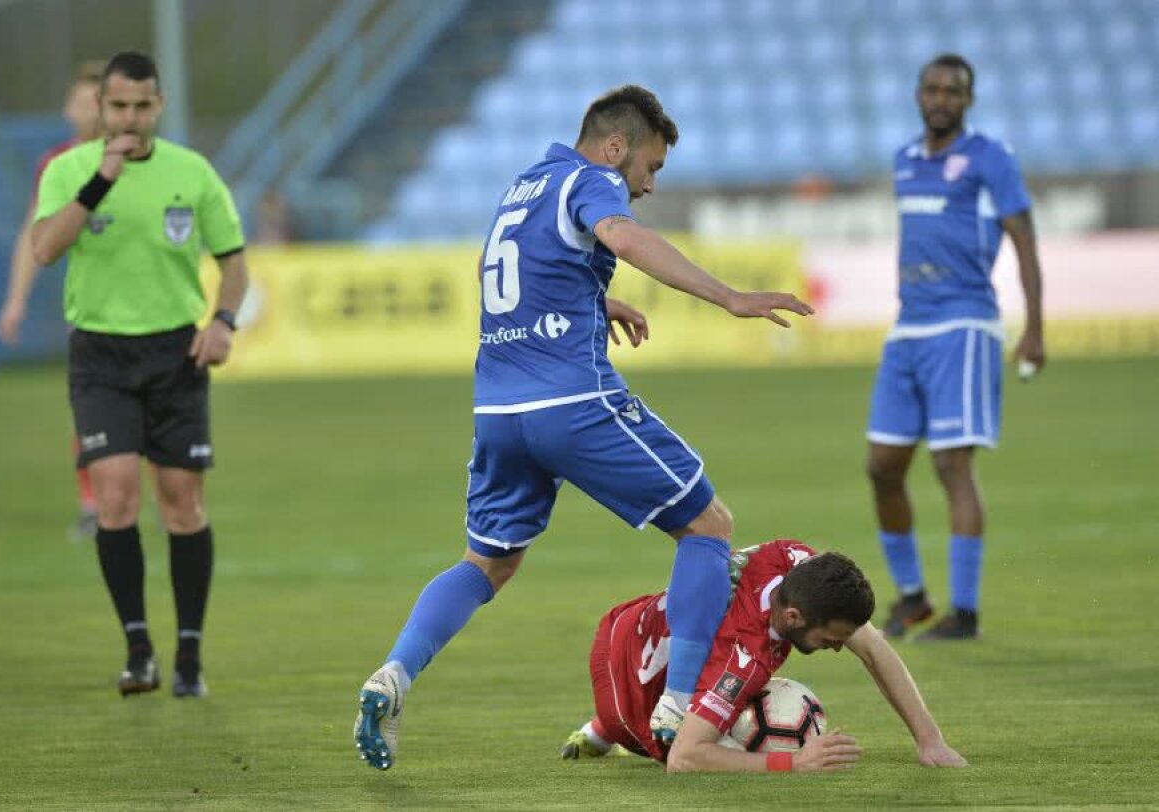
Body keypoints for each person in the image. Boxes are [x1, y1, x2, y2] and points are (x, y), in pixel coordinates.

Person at [354, 84, 814, 770]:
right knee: (709, 526)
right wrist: (729, 296)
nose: (650, 186)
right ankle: (681, 703)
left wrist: (602, 300)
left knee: (488, 563)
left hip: (498, 412)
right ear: (616, 147)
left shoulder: (525, 187)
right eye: (651, 169)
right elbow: (621, 235)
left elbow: (530, 271)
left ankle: (393, 674)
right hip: (571, 403)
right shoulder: (592, 180)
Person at [30, 51, 250, 698]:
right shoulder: (70, 170)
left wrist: (224, 321)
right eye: (117, 106)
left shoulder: (193, 172)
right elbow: (44, 248)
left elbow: (234, 261)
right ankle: (137, 649)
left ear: (159, 105)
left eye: (141, 106)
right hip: (101, 356)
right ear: (100, 107)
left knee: (183, 504)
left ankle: (189, 656)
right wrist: (99, 181)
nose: (129, 118)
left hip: (176, 355)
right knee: (117, 495)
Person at [867, 54, 1045, 642]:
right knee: (882, 466)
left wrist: (1035, 326)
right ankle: (914, 598)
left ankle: (964, 613)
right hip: (909, 326)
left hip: (963, 325)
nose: (941, 98)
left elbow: (1023, 239)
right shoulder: (905, 160)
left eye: (953, 91)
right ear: (919, 95)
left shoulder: (991, 158)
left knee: (951, 464)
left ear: (968, 100)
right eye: (932, 89)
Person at [559, 540, 968, 773]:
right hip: (622, 672)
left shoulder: (797, 564)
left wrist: (930, 740)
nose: (841, 647)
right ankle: (605, 728)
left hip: (645, 623)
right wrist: (791, 765)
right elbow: (685, 759)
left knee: (713, 718)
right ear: (793, 616)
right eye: (831, 639)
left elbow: (875, 650)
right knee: (681, 742)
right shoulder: (744, 660)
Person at [0, 60, 105, 541]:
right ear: (67, 106)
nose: (85, 110)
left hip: (154, 311)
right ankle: (92, 503)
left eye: (94, 100)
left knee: (150, 415)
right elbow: (32, 234)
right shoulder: (57, 164)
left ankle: (153, 499)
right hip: (90, 312)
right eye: (79, 100)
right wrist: (16, 299)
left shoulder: (140, 159)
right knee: (89, 412)